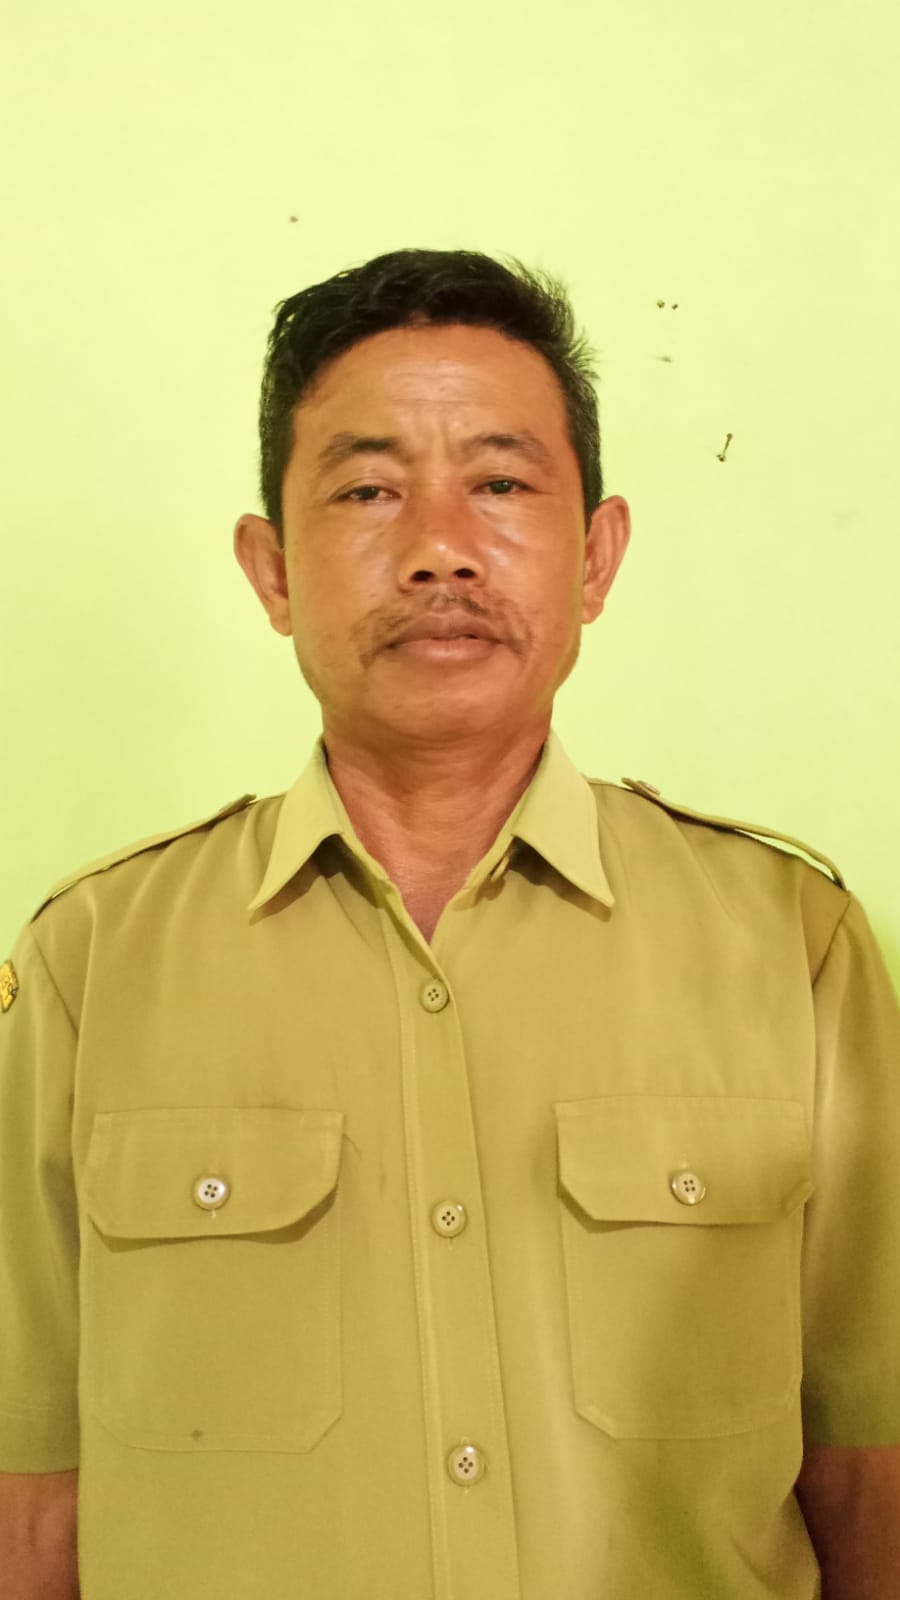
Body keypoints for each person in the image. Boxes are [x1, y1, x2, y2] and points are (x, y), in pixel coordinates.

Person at [1, 247, 898, 1600]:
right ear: (272, 571)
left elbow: (869, 1474)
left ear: (596, 557)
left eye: (501, 484)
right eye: (368, 490)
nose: (438, 548)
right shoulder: (91, 961)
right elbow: (31, 1501)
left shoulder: (795, 943)